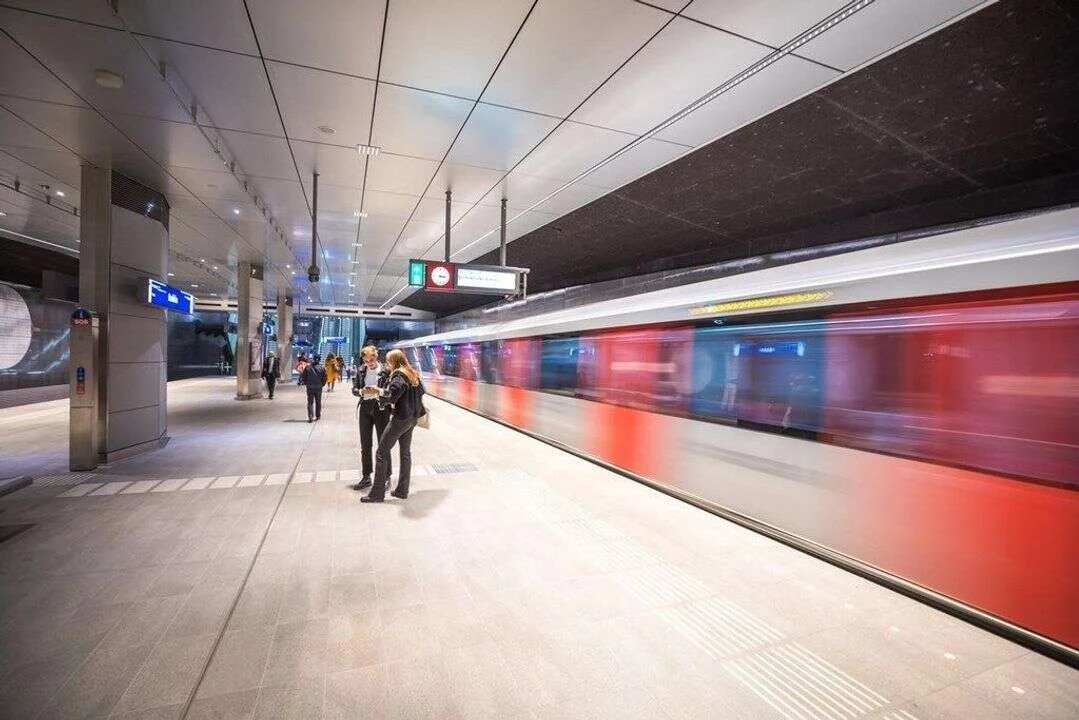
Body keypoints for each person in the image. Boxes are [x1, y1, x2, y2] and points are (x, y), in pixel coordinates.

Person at [361, 349, 426, 503]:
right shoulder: (412, 373)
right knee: (405, 453)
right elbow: (422, 391)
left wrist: (379, 391)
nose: (388, 364)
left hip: (401, 419)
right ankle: (402, 490)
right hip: (412, 418)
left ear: (394, 361)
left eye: (389, 361)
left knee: (381, 453)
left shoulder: (398, 375)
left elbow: (391, 396)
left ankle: (376, 494)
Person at [350, 345, 390, 490]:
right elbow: (354, 389)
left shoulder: (386, 370)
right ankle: (366, 476)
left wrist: (379, 391)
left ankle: (386, 477)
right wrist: (361, 391)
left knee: (383, 444)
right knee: (365, 445)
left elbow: (390, 391)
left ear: (376, 357)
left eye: (371, 360)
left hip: (381, 408)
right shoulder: (361, 370)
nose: (369, 363)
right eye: (366, 361)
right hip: (365, 407)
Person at [301, 354, 326, 422]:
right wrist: (322, 384)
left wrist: (307, 384)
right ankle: (318, 416)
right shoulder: (322, 368)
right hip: (318, 387)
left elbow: (304, 377)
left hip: (310, 387)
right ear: (319, 360)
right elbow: (324, 378)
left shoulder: (307, 367)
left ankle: (310, 417)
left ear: (313, 359)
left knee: (310, 402)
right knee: (318, 402)